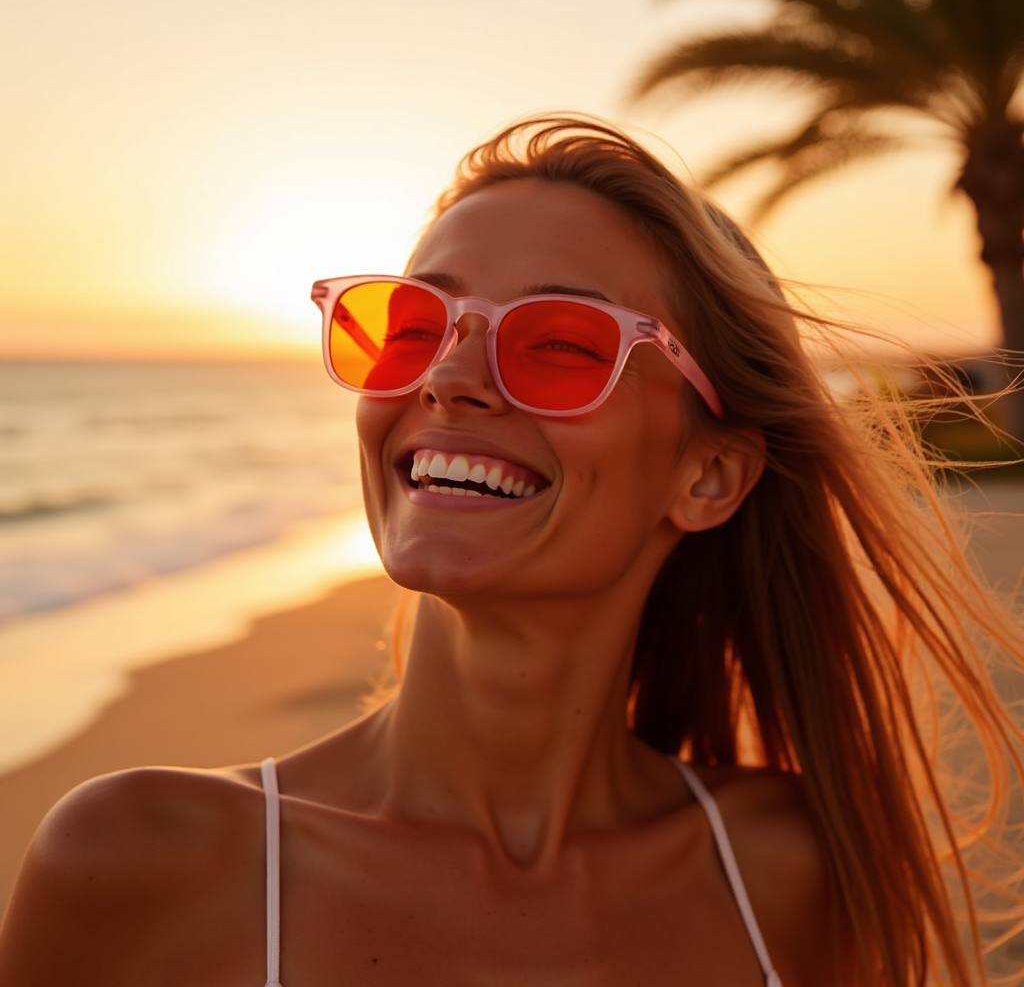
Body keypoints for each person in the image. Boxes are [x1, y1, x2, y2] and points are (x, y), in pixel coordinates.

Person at [0, 115, 1021, 986]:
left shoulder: (787, 870)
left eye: (561, 343)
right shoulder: (146, 861)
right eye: (412, 324)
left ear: (707, 477)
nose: (447, 377)